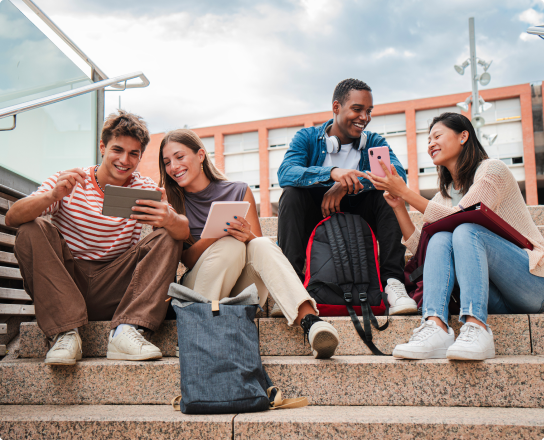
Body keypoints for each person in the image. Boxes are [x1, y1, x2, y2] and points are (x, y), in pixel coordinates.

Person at [8, 110, 188, 365]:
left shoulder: (143, 187)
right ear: (102, 147)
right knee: (30, 228)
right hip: (67, 285)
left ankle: (127, 330)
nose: (125, 160)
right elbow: (12, 217)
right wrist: (52, 196)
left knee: (169, 235)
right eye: (117, 150)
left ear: (139, 156)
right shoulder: (70, 179)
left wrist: (168, 218)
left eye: (133, 153)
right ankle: (64, 333)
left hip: (118, 288)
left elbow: (183, 231)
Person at [364, 112, 544, 361]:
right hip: (492, 295)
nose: (430, 144)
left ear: (463, 136)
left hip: (531, 283)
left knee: (465, 229)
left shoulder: (492, 171)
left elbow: (465, 215)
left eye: (437, 136)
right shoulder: (444, 196)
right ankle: (435, 325)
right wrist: (398, 206)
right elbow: (422, 249)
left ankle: (477, 326)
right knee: (438, 238)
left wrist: (406, 192)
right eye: (428, 140)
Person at [159, 129, 340, 359]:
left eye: (179, 157)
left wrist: (248, 236)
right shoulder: (171, 201)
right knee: (229, 245)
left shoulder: (238, 190)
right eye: (167, 162)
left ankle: (311, 321)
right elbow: (185, 260)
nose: (173, 167)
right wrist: (216, 235)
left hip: (240, 292)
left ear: (201, 155)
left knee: (261, 243)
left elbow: (259, 252)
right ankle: (194, 332)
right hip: (200, 289)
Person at [276, 78, 417, 316]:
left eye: (369, 111)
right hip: (317, 213)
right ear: (336, 107)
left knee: (389, 193)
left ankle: (393, 283)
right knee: (291, 194)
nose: (365, 117)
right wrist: (332, 174)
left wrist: (347, 185)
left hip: (359, 213)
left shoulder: (373, 142)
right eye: (357, 109)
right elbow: (286, 172)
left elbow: (397, 175)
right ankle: (292, 288)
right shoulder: (307, 138)